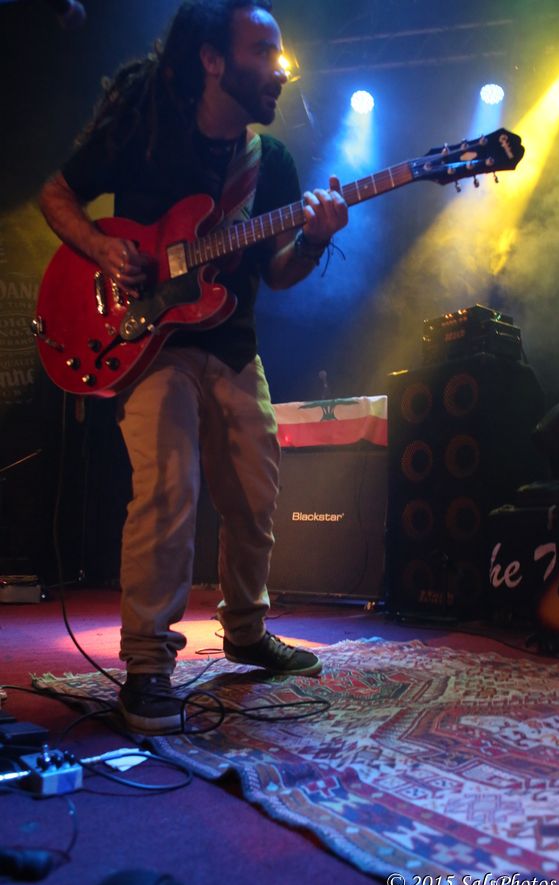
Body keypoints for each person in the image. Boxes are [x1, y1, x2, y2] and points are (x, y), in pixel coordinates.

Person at [39, 0, 348, 734]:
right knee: (169, 486)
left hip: (232, 342)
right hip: (152, 344)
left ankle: (245, 630)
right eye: (261, 51)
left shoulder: (271, 162)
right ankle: (148, 663)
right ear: (212, 60)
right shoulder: (145, 127)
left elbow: (277, 274)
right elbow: (56, 194)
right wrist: (102, 247)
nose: (279, 69)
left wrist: (311, 240)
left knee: (256, 492)